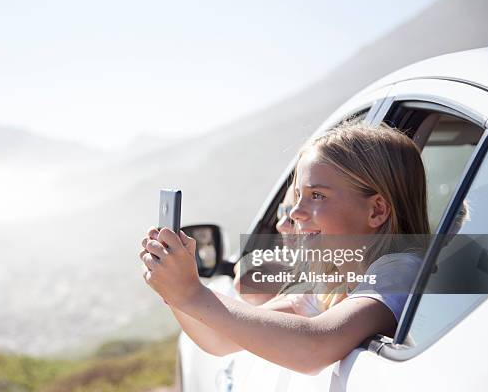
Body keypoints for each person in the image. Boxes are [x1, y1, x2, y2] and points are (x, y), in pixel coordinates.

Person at [139, 121, 429, 374]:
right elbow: (221, 339)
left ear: (377, 210)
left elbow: (314, 346)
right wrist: (175, 291)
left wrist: (191, 293)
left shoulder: (401, 271)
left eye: (317, 195)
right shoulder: (331, 287)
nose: (296, 213)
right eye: (299, 196)